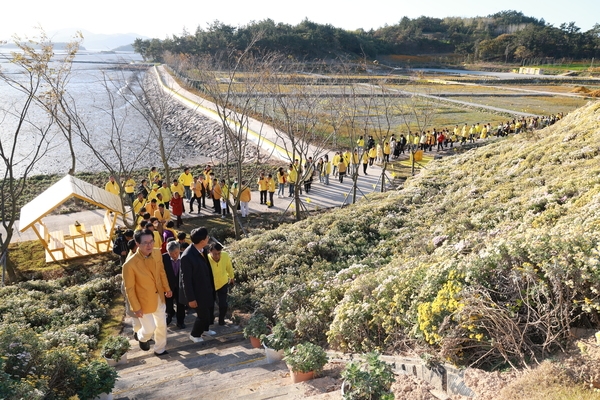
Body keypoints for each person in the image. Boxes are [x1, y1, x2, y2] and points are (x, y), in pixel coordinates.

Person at [122, 229, 172, 356]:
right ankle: (141, 337)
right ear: (137, 244)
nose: (149, 245)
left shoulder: (157, 253)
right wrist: (136, 308)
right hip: (143, 301)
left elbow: (161, 272)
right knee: (149, 329)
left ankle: (159, 349)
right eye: (145, 243)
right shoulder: (129, 264)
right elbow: (130, 289)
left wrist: (167, 288)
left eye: (151, 241)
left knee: (162, 325)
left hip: (159, 296)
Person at [181, 227, 216, 343]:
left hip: (206, 287)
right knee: (203, 314)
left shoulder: (202, 250)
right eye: (207, 237)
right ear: (202, 241)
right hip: (197, 291)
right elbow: (186, 280)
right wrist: (191, 298)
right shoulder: (187, 256)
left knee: (209, 310)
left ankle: (205, 329)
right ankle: (195, 334)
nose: (208, 239)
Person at [207, 243, 234, 326]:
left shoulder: (225, 255)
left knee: (223, 304)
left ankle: (221, 320)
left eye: (219, 253)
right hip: (211, 285)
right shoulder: (206, 259)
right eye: (215, 254)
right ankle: (211, 318)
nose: (217, 256)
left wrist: (232, 277)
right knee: (210, 304)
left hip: (223, 282)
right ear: (210, 251)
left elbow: (229, 266)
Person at [162, 241, 186, 329]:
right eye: (171, 254)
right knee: (168, 303)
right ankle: (169, 316)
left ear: (179, 250)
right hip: (168, 286)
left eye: (176, 253)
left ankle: (180, 322)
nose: (174, 255)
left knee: (181, 304)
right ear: (168, 252)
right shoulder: (164, 258)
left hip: (181, 286)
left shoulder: (184, 256)